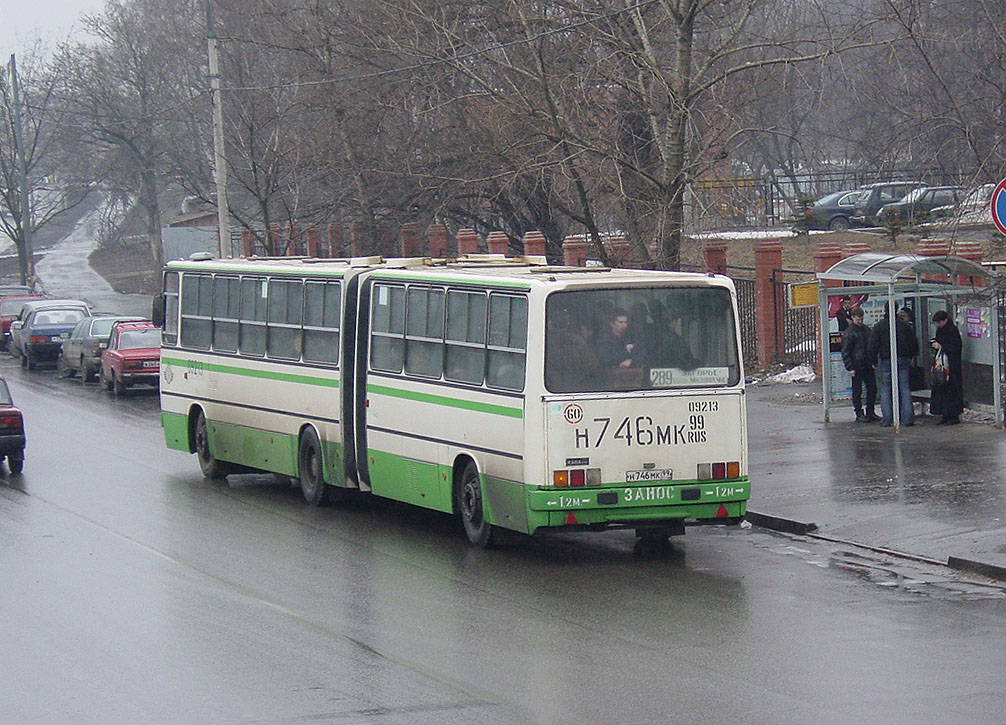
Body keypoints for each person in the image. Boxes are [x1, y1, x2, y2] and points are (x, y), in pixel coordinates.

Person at [868, 302, 919, 427]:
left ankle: (887, 419)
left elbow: (872, 345)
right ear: (896, 310)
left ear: (884, 310)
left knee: (886, 389)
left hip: (886, 359)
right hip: (902, 358)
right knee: (904, 388)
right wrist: (910, 356)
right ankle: (907, 419)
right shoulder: (904, 325)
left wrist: (873, 360)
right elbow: (913, 343)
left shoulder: (879, 326)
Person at [841, 306, 878, 422]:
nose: (860, 322)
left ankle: (870, 411)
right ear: (853, 318)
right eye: (858, 320)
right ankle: (859, 412)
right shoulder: (850, 332)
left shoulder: (865, 330)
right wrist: (850, 367)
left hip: (866, 364)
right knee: (857, 390)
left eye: (861, 319)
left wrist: (873, 361)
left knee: (872, 388)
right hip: (856, 365)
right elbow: (845, 351)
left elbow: (872, 346)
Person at [930, 309, 963, 425]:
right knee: (943, 390)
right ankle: (945, 414)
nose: (938, 325)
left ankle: (953, 415)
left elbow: (955, 346)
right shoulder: (941, 330)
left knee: (951, 391)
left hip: (951, 367)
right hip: (943, 366)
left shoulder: (952, 330)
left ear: (945, 320)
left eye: (939, 322)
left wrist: (941, 346)